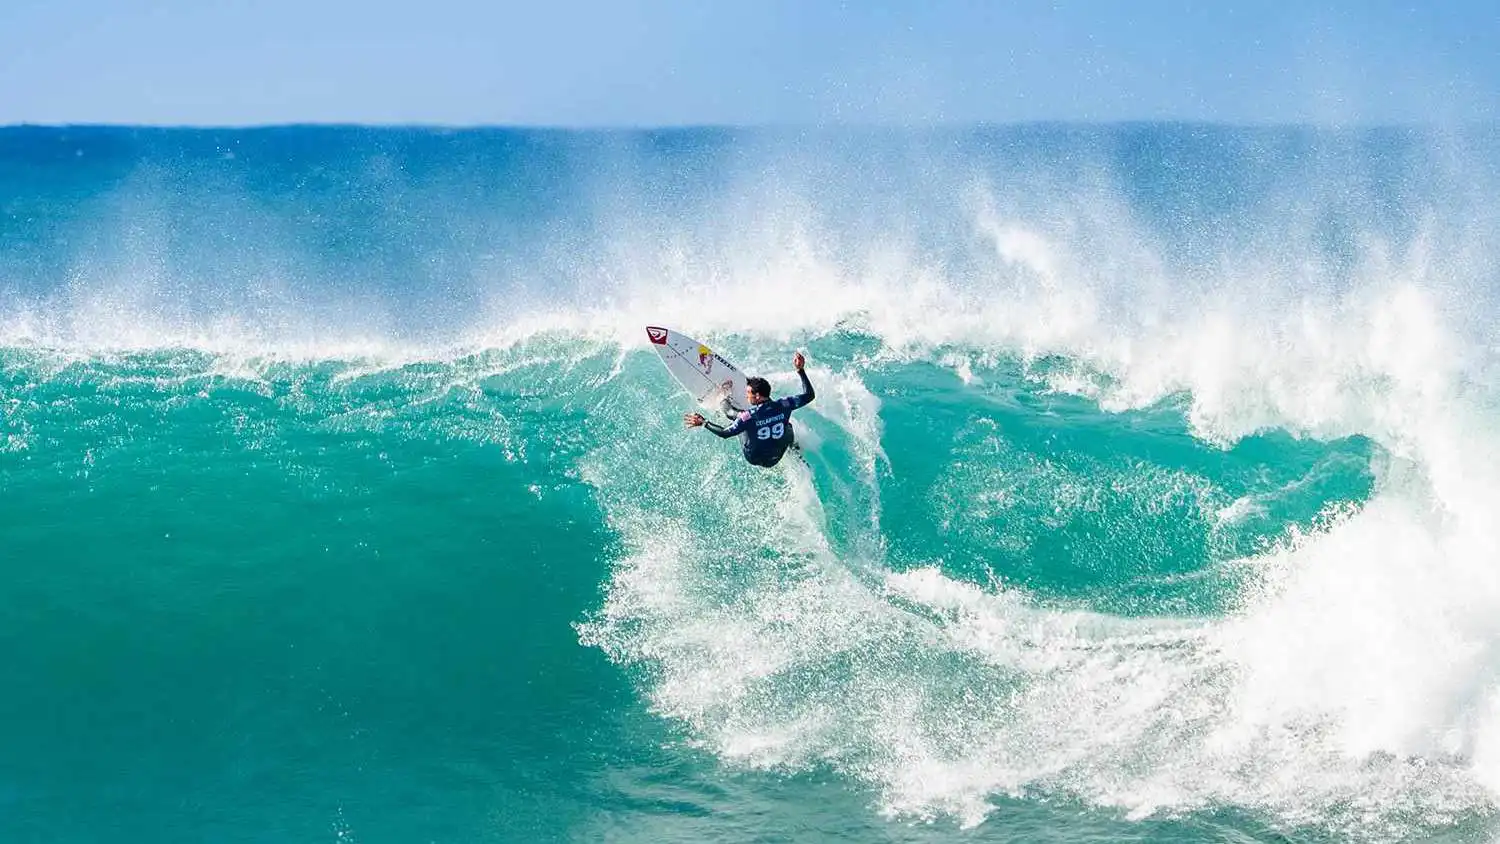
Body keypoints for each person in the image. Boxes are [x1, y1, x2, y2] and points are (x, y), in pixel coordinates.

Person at [684, 352, 814, 467]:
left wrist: (704, 422)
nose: (746, 395)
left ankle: (723, 397)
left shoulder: (749, 416)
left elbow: (725, 433)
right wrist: (800, 370)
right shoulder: (785, 404)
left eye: (748, 393)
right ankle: (793, 448)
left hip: (754, 457)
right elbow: (809, 395)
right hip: (776, 456)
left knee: (737, 417)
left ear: (757, 396)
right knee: (788, 426)